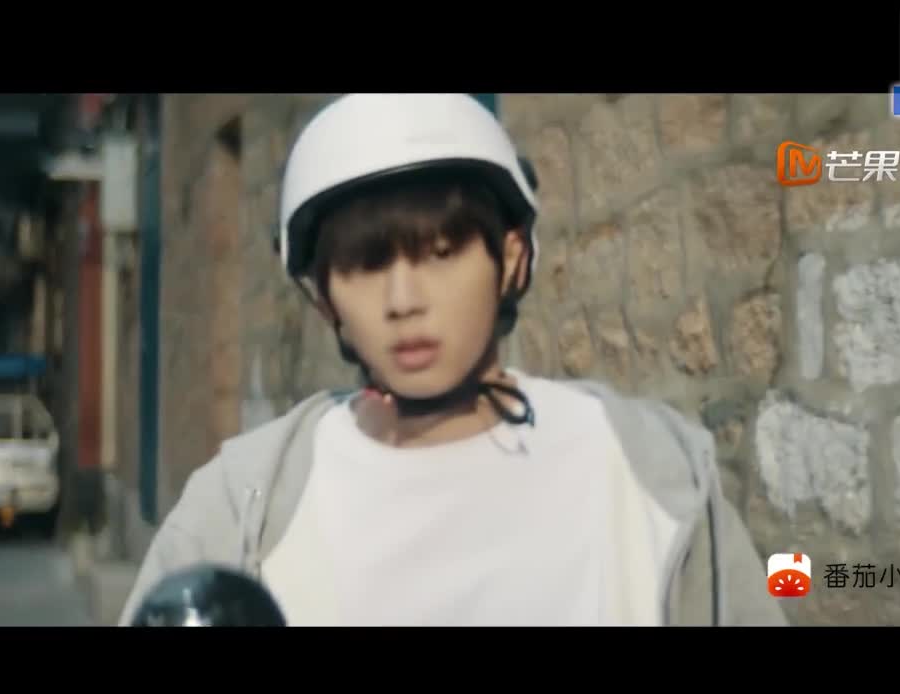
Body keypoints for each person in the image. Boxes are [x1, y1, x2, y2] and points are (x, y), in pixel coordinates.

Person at [118, 94, 787, 626]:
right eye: (365, 264)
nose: (403, 301)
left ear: (512, 258)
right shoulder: (243, 504)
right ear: (324, 298)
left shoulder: (648, 469)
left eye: (441, 253)